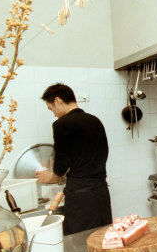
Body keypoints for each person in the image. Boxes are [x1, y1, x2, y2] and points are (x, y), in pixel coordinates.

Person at [36, 83, 112, 235]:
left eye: (51, 109)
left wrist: (53, 175)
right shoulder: (95, 121)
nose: (54, 114)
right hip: (101, 190)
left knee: (80, 240)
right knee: (103, 236)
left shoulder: (61, 124)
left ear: (58, 100)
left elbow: (61, 164)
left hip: (80, 195)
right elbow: (101, 152)